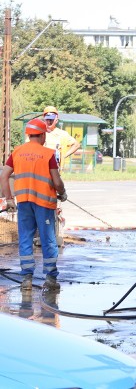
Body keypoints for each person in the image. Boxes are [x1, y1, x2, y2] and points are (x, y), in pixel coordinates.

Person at [0, 118, 68, 292]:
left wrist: (9, 199)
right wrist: (62, 192)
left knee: (25, 239)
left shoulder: (17, 152)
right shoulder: (48, 154)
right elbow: (56, 181)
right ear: (43, 134)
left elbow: (4, 176)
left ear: (29, 134)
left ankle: (26, 279)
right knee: (48, 240)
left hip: (24, 203)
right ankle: (51, 279)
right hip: (44, 204)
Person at [41, 106, 80, 170]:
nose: (49, 122)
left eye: (51, 120)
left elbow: (76, 145)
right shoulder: (39, 132)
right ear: (44, 119)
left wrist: (64, 156)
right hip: (41, 168)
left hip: (55, 169)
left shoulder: (62, 134)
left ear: (56, 120)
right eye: (47, 119)